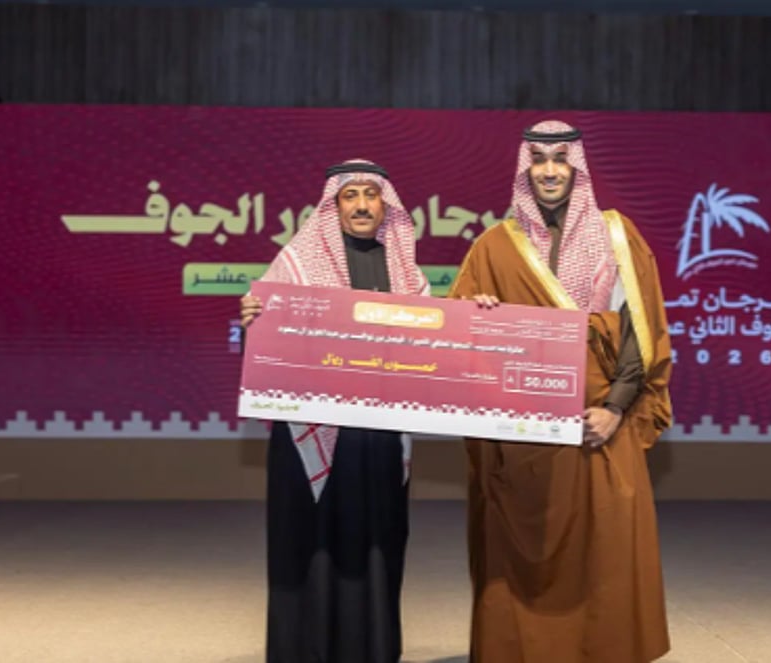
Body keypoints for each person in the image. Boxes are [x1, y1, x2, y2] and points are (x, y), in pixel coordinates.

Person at [447, 121, 674, 662]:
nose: (549, 171)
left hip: (600, 424)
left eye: (560, 159)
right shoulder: (493, 246)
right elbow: (456, 335)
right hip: (519, 433)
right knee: (519, 555)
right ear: (525, 168)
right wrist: (479, 313)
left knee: (606, 550)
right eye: (539, 160)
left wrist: (615, 409)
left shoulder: (617, 236)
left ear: (578, 167)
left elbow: (640, 329)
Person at [240, 159, 430, 663]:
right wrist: (253, 319)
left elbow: (433, 347)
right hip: (315, 434)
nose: (362, 205)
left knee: (377, 544)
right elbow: (267, 341)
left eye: (371, 194)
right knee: (313, 545)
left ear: (385, 204)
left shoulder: (407, 273)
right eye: (351, 195)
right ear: (334, 205)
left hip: (379, 437)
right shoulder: (297, 264)